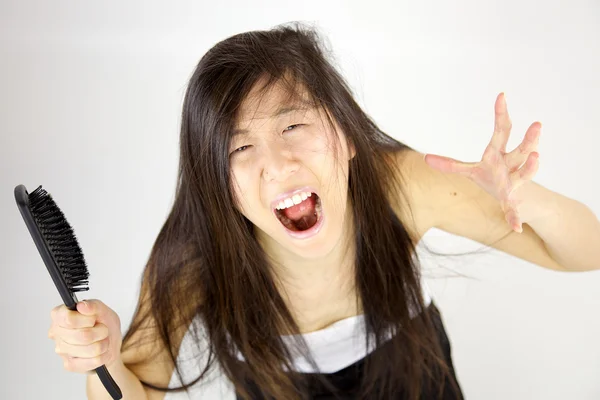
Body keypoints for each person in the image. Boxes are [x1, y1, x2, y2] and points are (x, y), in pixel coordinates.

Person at [47, 22, 600, 400]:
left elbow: (587, 253)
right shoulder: (192, 258)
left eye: (294, 126)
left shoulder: (403, 186)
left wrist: (524, 197)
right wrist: (107, 358)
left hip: (414, 378)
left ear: (347, 136)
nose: (278, 163)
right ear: (220, 185)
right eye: (240, 149)